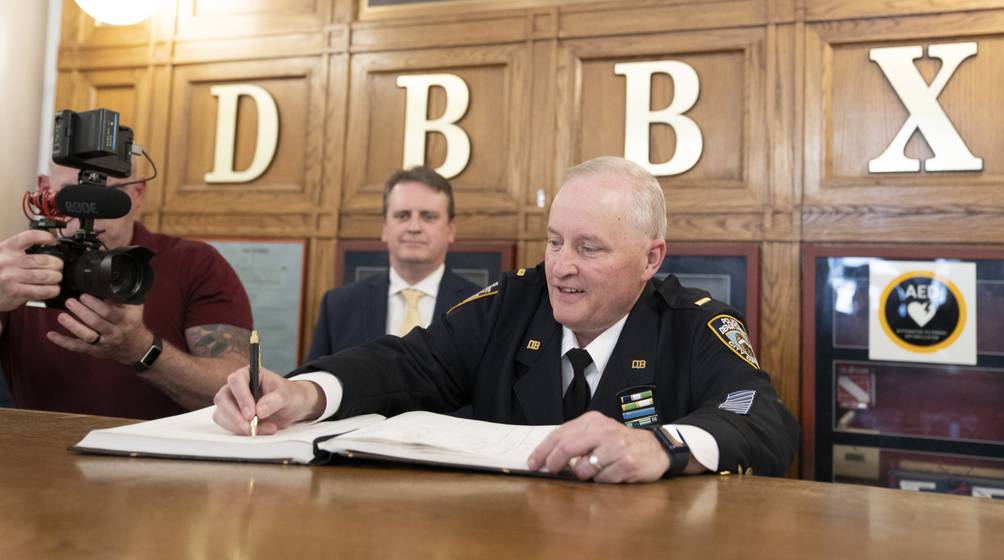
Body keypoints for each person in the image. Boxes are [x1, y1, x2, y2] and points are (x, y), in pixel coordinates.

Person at [214, 156, 799, 483]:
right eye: (553, 242)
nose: (560, 268)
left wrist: (664, 447)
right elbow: (407, 362)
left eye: (589, 248)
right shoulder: (512, 306)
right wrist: (306, 392)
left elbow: (764, 422)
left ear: (651, 257)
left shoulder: (692, 323)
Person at [0, 162, 253, 419]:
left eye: (106, 197)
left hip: (160, 455)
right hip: (36, 453)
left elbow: (240, 391)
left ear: (138, 194)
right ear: (45, 190)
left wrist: (141, 350)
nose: (91, 210)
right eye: (74, 195)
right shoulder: (15, 268)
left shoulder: (196, 265)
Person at [306, 166, 478, 359]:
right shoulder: (339, 306)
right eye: (402, 216)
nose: (414, 227)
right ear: (385, 228)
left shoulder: (481, 307)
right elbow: (314, 380)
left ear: (451, 230)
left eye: (428, 217)